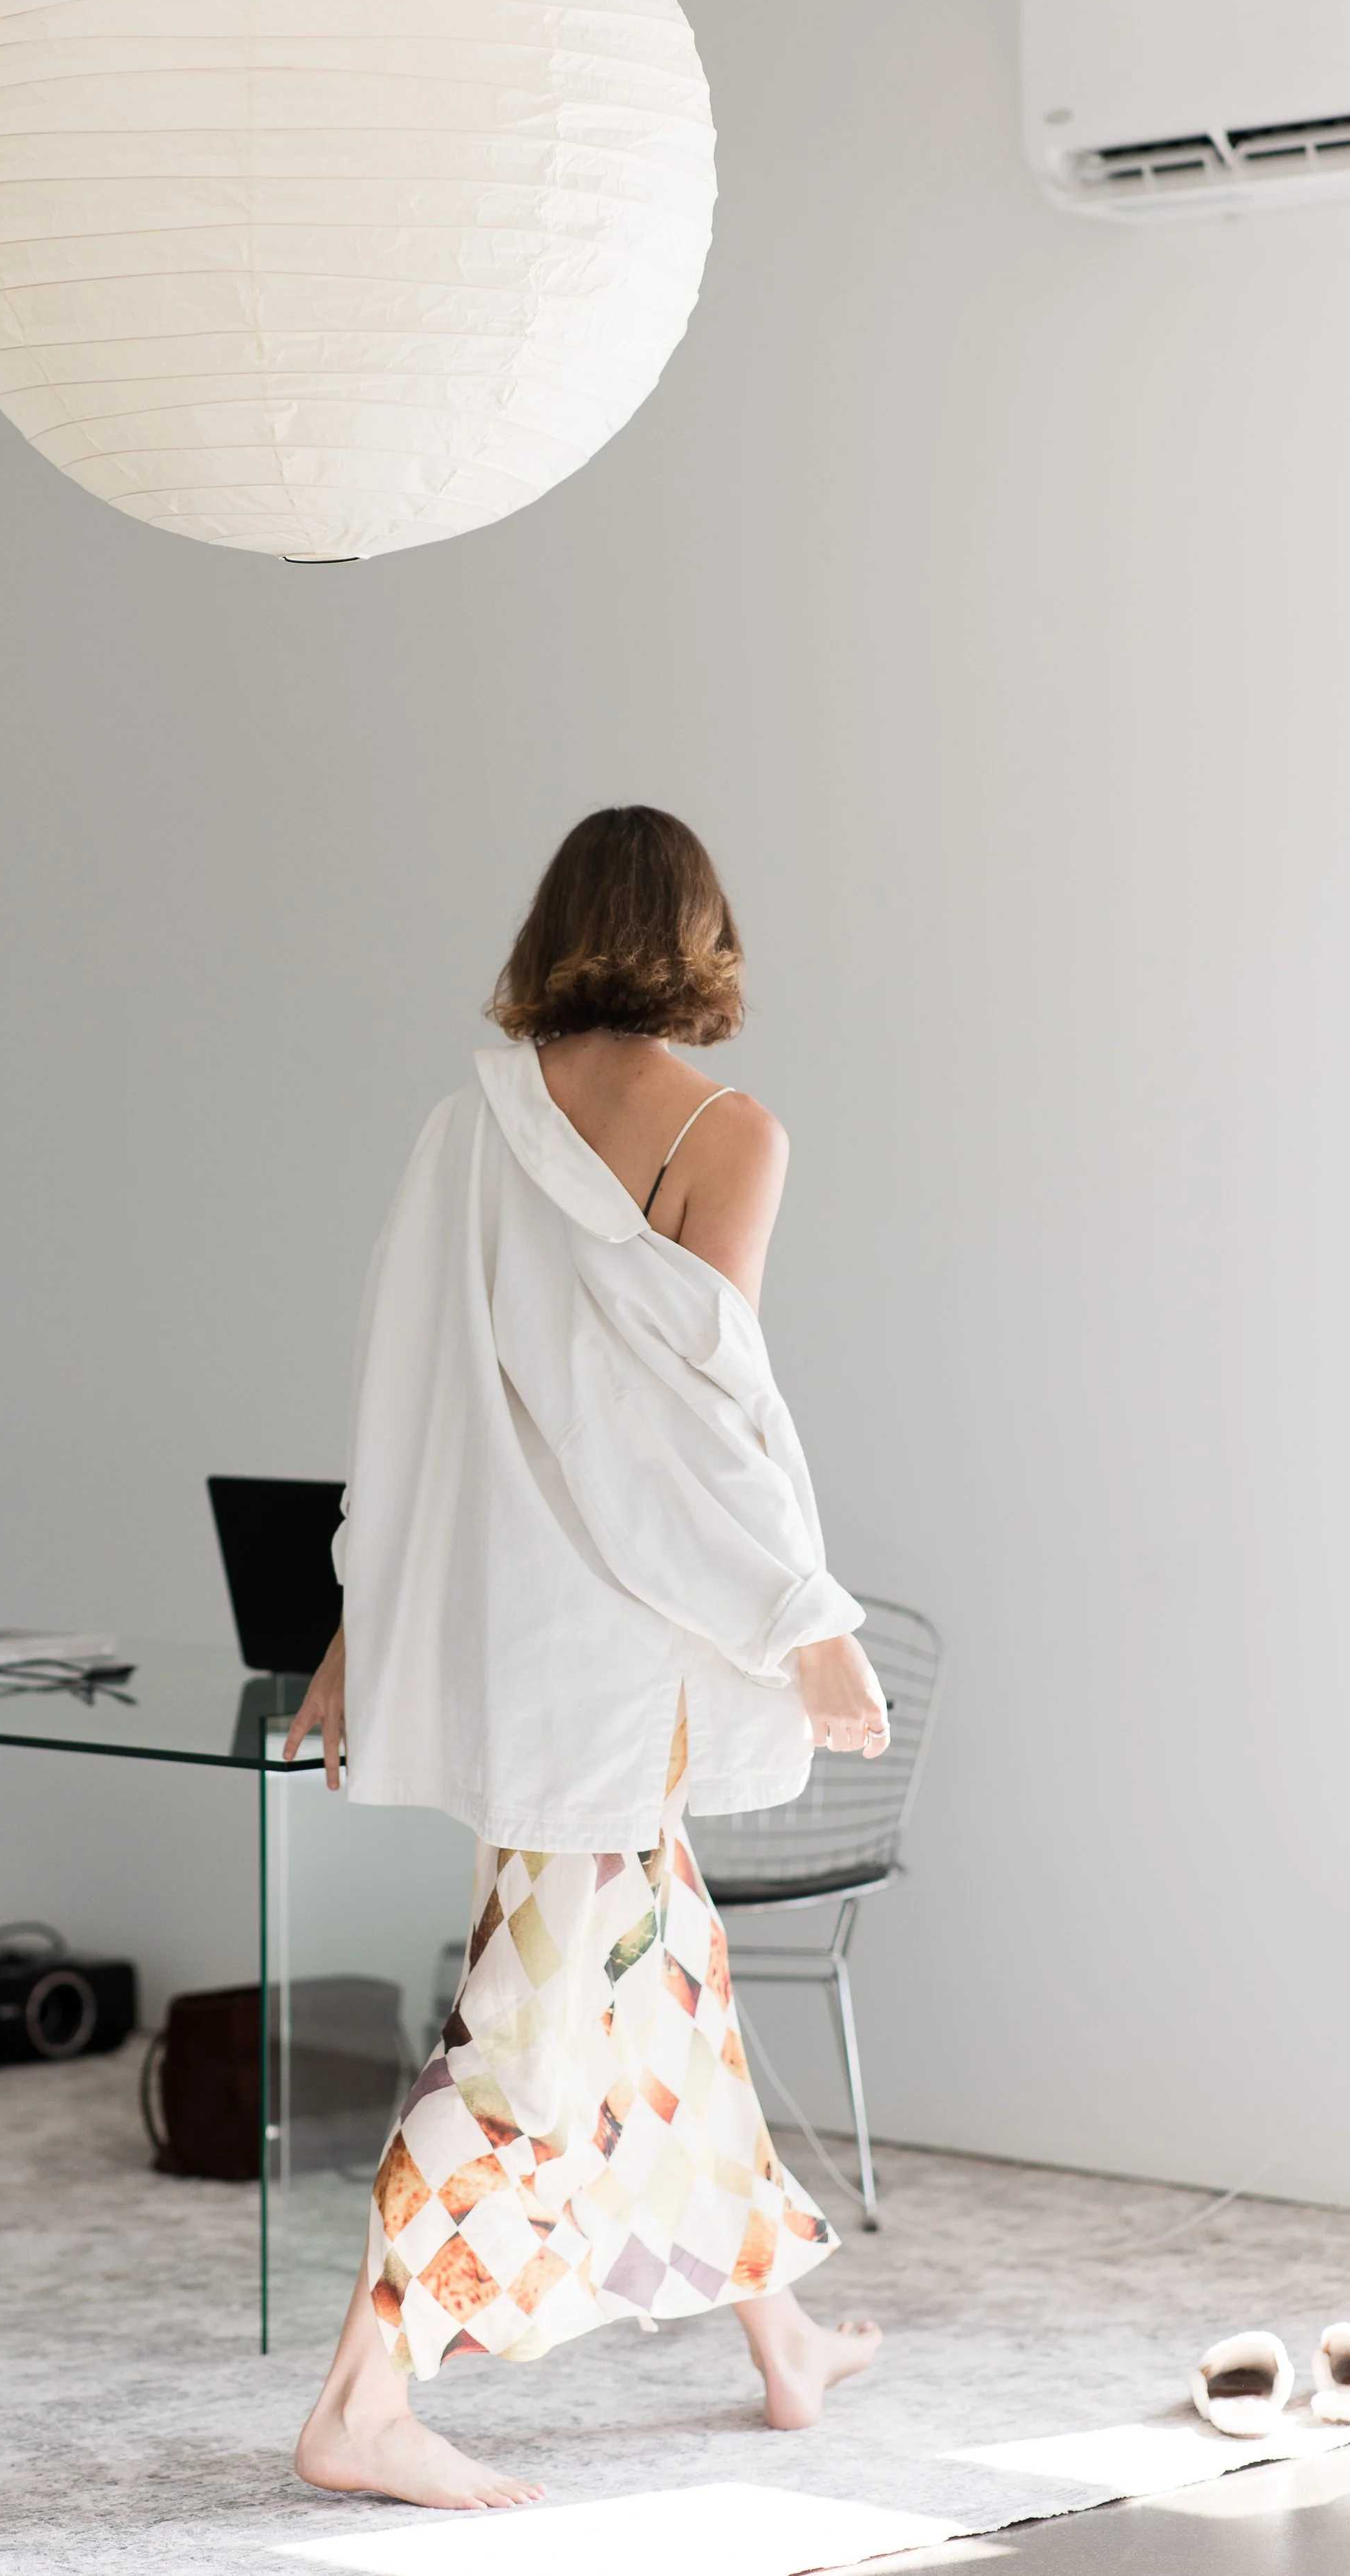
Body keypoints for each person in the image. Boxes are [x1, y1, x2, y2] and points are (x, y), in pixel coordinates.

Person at [285, 805, 887, 2511]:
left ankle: (782, 2345)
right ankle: (359, 2402)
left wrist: (358, 1628)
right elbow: (697, 1437)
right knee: (525, 2043)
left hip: (522, 1662)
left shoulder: (462, 1134)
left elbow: (412, 1428)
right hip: (631, 1668)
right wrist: (807, 1624)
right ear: (700, 935)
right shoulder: (729, 1130)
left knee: (665, 1986)